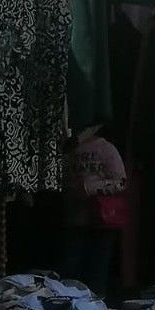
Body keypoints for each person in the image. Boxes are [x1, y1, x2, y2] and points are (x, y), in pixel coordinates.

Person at [62, 125, 127, 296]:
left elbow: (120, 182)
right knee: (72, 265)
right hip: (75, 216)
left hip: (102, 219)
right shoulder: (69, 149)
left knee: (97, 266)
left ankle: (96, 305)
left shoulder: (105, 148)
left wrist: (91, 188)